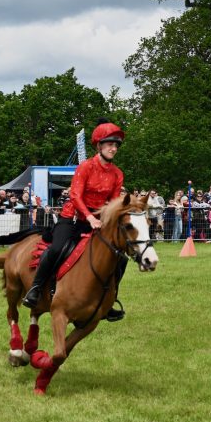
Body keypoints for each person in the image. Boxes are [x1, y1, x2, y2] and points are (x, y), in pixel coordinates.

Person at [23, 119, 126, 321]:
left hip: (98, 221)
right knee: (56, 249)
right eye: (109, 144)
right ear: (99, 146)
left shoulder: (117, 174)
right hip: (72, 218)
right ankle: (35, 288)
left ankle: (109, 300)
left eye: (116, 145)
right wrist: (89, 217)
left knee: (120, 257)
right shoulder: (85, 167)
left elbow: (113, 202)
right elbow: (75, 196)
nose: (113, 149)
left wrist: (109, 219)